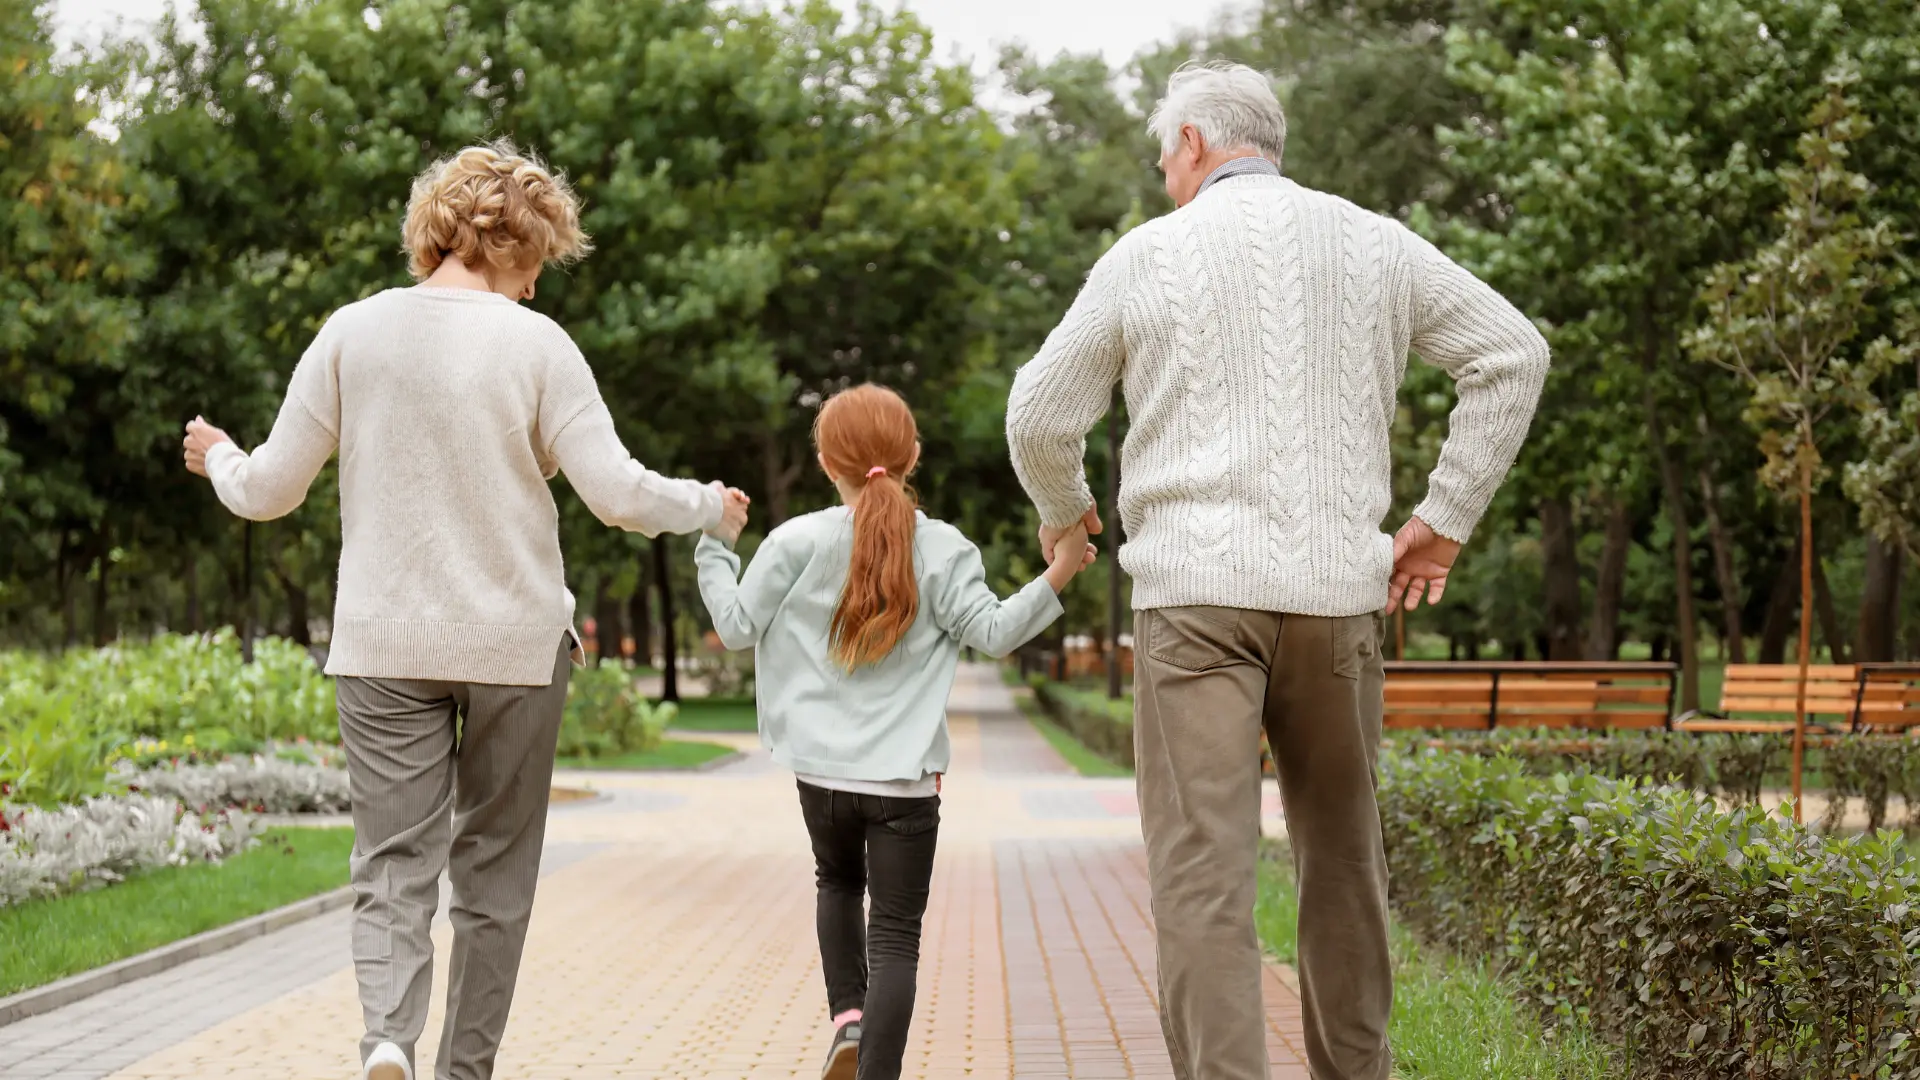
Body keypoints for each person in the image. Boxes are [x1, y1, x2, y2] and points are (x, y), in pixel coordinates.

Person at [1004, 63, 1550, 1080]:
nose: (1164, 172)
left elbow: (1039, 415)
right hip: (1339, 603)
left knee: (1201, 874)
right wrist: (1445, 517)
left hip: (1194, 606)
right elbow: (1511, 354)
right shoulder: (1374, 244)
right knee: (1342, 862)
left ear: (1198, 144)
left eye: (1164, 152)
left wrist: (1064, 515)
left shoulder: (1148, 255)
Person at [180, 140, 747, 1080]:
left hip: (381, 643)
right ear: (512, 244)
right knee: (494, 878)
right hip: (517, 647)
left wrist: (222, 459)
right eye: (536, 266)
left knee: (393, 866)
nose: (535, 290)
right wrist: (710, 507)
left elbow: (270, 490)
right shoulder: (539, 347)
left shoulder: (351, 331)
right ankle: (463, 1072)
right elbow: (617, 493)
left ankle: (387, 1043)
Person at [694, 384, 1094, 1080]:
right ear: (912, 455)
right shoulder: (944, 549)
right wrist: (1059, 571)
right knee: (897, 940)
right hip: (904, 786)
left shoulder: (794, 541)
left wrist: (714, 546)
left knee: (837, 884)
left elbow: (734, 627)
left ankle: (847, 1019)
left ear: (826, 462)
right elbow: (996, 634)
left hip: (820, 777)